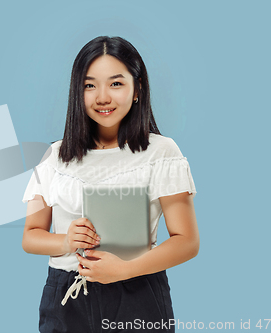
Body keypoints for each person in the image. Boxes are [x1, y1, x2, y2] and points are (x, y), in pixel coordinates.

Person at [22, 36, 199, 333]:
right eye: (90, 85)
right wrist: (66, 241)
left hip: (138, 290)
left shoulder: (162, 152)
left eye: (116, 84)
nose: (102, 97)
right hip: (68, 294)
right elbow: (31, 236)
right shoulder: (54, 156)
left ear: (137, 89)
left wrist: (125, 270)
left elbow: (187, 241)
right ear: (77, 91)